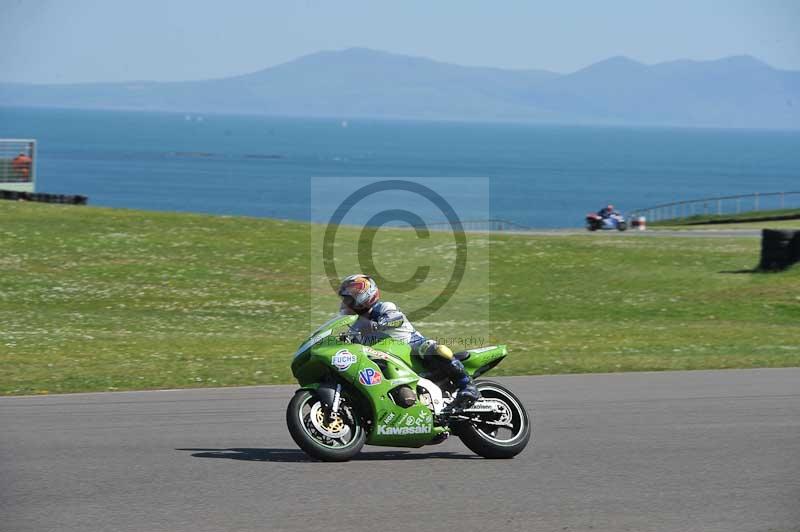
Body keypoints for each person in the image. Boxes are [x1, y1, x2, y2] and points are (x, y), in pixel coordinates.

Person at [337, 274, 479, 408]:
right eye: (346, 298)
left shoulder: (384, 307)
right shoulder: (356, 323)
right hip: (385, 355)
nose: (347, 302)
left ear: (365, 294)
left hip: (411, 346)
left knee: (436, 349)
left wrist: (380, 323)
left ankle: (468, 386)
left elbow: (395, 318)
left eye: (351, 296)